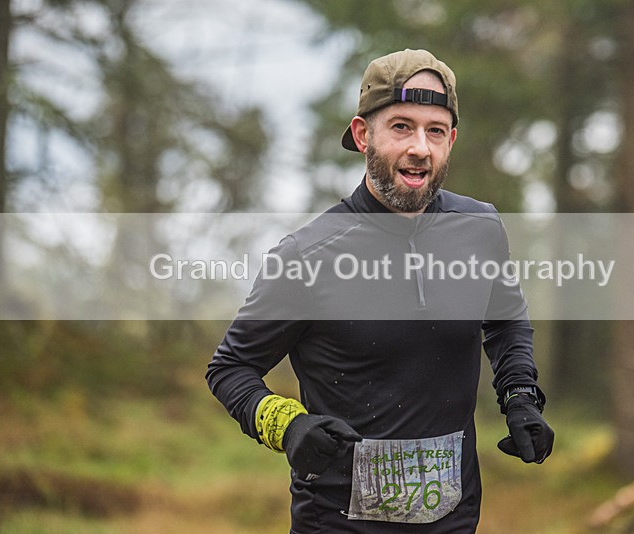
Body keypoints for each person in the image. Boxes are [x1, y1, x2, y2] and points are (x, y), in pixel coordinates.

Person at [206, 48, 554, 533]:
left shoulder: (479, 228)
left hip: (454, 519)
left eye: (435, 130)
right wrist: (287, 425)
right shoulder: (307, 256)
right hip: (336, 523)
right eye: (401, 127)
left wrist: (520, 395)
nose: (420, 147)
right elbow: (231, 369)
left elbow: (504, 321)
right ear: (362, 134)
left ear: (451, 140)